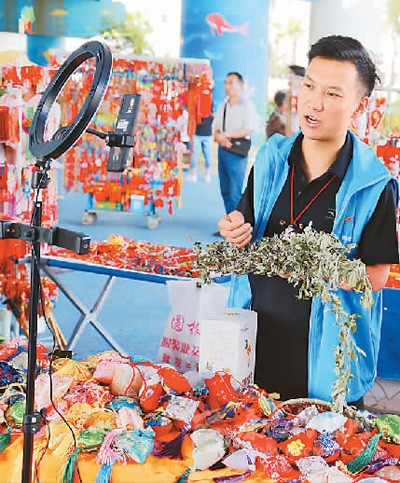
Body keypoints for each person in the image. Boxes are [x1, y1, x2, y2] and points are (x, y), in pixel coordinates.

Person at [218, 35, 399, 409]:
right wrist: (233, 228)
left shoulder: (373, 184)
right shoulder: (271, 158)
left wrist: (320, 269)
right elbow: (244, 221)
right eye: (309, 86)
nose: (314, 102)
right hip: (256, 343)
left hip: (323, 360)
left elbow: (376, 277)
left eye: (333, 94)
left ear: (359, 105)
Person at [212, 72, 257, 215]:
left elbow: (248, 129)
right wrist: (219, 137)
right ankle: (230, 219)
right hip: (223, 149)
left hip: (237, 152)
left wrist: (226, 135)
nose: (227, 86)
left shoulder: (247, 106)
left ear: (241, 85)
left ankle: (237, 224)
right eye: (225, 83)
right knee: (225, 190)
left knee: (234, 192)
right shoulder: (223, 106)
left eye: (231, 83)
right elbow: (215, 128)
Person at [188, 113, 214, 182]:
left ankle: (205, 174)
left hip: (204, 134)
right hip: (201, 134)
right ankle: (195, 174)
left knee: (206, 155)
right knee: (197, 155)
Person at [288, 64, 305, 134]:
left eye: (291, 76)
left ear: (299, 78)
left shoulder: (303, 93)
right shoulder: (292, 93)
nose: (289, 80)